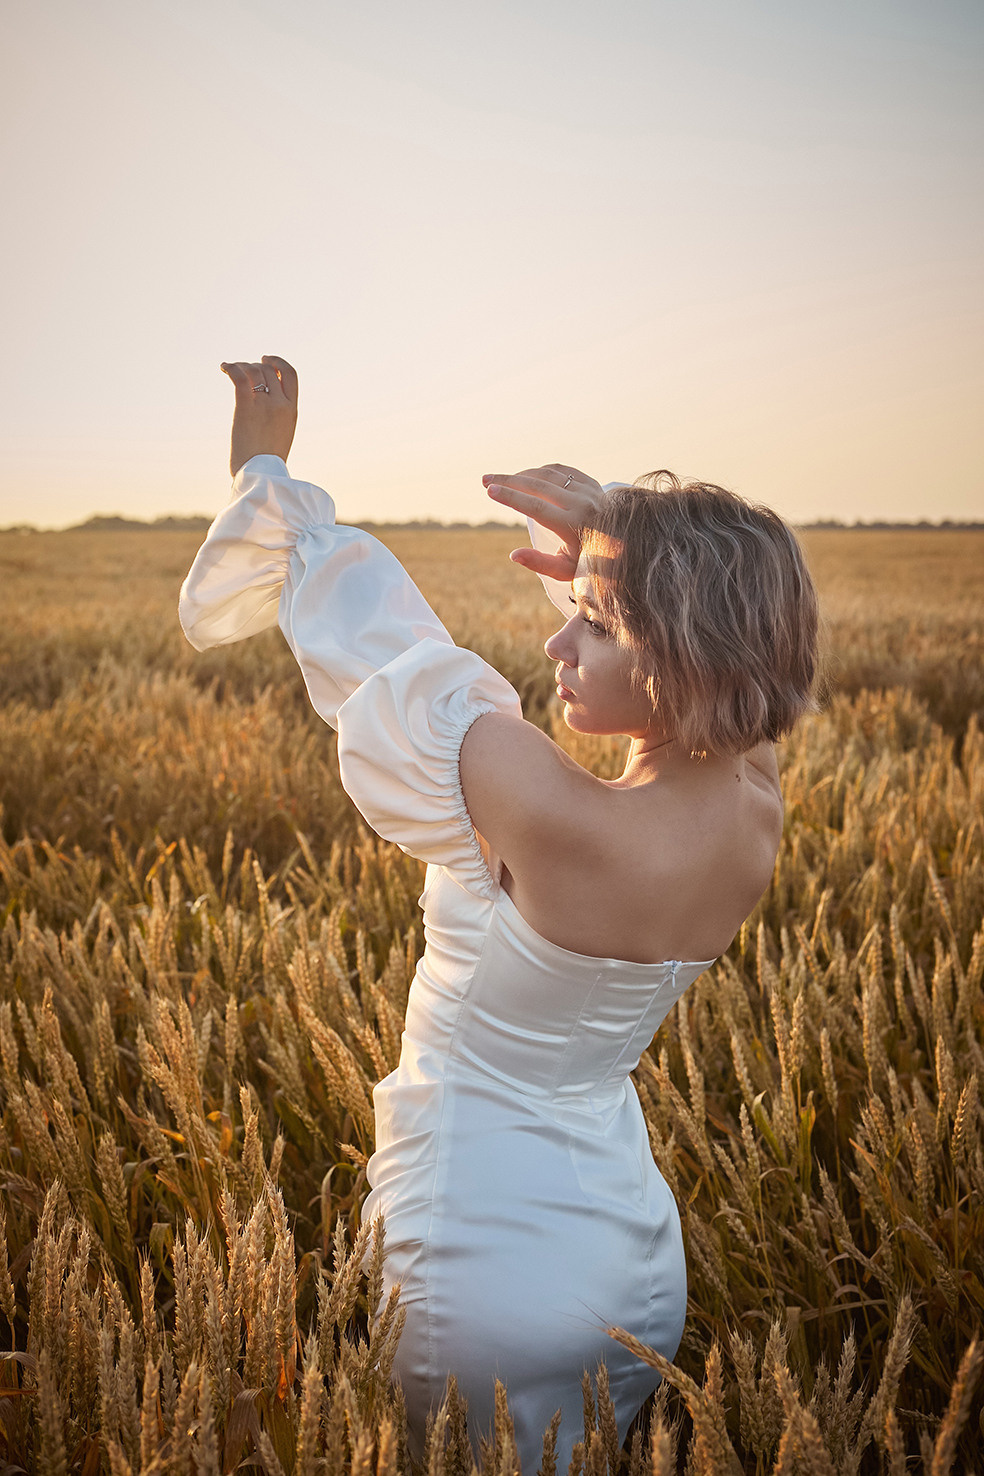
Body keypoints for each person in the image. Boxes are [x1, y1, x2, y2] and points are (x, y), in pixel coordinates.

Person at [179, 355, 819, 1470]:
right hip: (626, 1258)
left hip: (478, 1263)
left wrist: (262, 469)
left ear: (685, 663)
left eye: (597, 625)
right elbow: (730, 663)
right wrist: (628, 537)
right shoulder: (754, 805)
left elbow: (376, 644)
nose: (556, 643)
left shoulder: (536, 801)